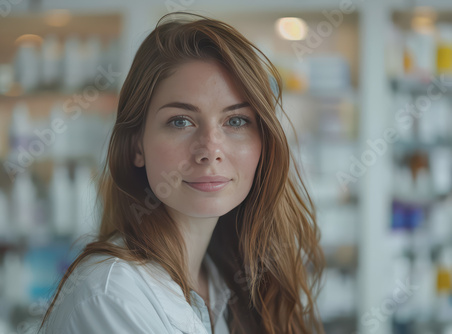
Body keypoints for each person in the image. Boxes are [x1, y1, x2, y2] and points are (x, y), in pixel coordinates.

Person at [37, 11, 325, 334]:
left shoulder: (221, 279)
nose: (210, 150)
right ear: (137, 146)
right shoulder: (111, 296)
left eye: (236, 121)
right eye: (181, 121)